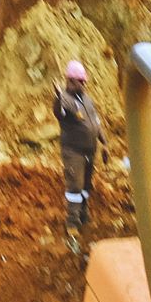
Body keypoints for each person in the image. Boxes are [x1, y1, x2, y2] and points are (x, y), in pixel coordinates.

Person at [53, 58, 103, 235]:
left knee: (86, 186)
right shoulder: (65, 99)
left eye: (84, 81)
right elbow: (59, 113)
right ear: (70, 81)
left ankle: (83, 214)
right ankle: (72, 223)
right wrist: (57, 98)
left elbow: (96, 122)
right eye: (80, 81)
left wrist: (104, 143)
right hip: (73, 152)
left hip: (90, 151)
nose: (83, 85)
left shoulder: (87, 100)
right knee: (75, 186)